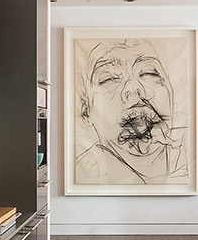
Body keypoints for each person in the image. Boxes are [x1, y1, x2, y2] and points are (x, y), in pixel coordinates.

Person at [73, 38, 190, 185]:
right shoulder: (82, 174)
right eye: (110, 78)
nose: (134, 88)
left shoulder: (193, 154)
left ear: (171, 93)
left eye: (149, 73)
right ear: (86, 111)